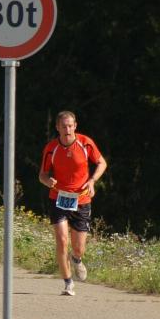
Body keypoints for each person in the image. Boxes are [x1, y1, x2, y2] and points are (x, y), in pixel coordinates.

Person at [39, 110, 107, 296]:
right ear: (57, 128)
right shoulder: (51, 148)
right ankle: (68, 283)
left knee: (78, 247)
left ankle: (76, 259)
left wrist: (92, 181)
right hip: (58, 198)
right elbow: (42, 175)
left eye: (70, 126)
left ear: (75, 126)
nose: (67, 130)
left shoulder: (85, 143)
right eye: (64, 126)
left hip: (81, 199)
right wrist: (48, 181)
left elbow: (102, 163)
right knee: (62, 240)